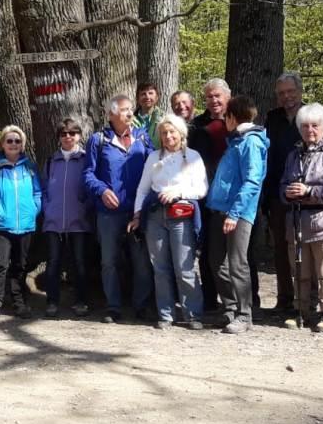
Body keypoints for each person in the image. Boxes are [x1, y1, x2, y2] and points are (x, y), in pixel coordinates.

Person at [130, 113, 208, 330]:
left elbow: (201, 189)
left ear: (181, 133)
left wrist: (178, 192)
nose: (168, 136)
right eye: (164, 133)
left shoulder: (193, 157)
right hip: (155, 217)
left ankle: (193, 314)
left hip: (181, 217)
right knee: (160, 268)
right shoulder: (154, 158)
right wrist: (137, 215)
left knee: (184, 267)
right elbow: (143, 189)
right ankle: (165, 314)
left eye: (172, 132)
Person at [263, 72, 323, 313]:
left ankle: (309, 300)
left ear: (300, 92)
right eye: (281, 93)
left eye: (291, 92)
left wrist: (313, 191)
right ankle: (285, 299)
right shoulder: (272, 119)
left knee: (309, 250)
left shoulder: (313, 117)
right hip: (278, 193)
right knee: (282, 250)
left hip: (309, 197)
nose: (287, 97)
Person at [83, 94, 155, 323]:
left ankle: (141, 306)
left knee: (142, 262)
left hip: (138, 211)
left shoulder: (142, 138)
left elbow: (154, 168)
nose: (130, 113)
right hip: (108, 214)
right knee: (109, 262)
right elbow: (88, 174)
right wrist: (102, 190)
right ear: (111, 114)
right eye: (124, 110)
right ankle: (113, 307)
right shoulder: (98, 140)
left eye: (131, 109)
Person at [279, 103, 323, 333]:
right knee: (300, 272)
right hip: (297, 222)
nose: (310, 130)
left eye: (315, 125)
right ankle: (301, 311)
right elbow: (283, 185)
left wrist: (309, 191)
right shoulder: (293, 155)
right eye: (305, 126)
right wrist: (287, 193)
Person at [206, 96, 268, 334]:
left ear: (232, 117)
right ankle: (230, 308)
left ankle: (244, 314)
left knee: (237, 263)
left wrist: (235, 213)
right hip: (220, 209)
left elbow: (253, 181)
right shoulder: (236, 141)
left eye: (226, 117)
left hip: (238, 213)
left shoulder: (251, 142)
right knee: (217, 262)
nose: (224, 121)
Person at [0, 125, 41, 323]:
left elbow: (37, 192)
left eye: (17, 141)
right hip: (1, 226)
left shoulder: (29, 167)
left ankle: (19, 302)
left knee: (20, 265)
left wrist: (34, 210)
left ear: (22, 144)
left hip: (25, 225)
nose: (14, 144)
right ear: (2, 144)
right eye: (10, 140)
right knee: (0, 264)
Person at [186, 78, 234, 313]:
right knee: (207, 250)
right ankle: (209, 298)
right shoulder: (197, 126)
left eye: (218, 96)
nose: (214, 100)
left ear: (227, 97)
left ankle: (246, 301)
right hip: (204, 195)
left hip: (233, 196)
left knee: (239, 252)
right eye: (209, 97)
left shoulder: (237, 123)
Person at [40, 119, 91, 318]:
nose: (68, 137)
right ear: (59, 138)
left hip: (79, 221)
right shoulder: (51, 161)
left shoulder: (86, 159)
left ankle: (81, 301)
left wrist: (84, 207)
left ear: (79, 135)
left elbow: (92, 186)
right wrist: (48, 209)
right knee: (53, 262)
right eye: (63, 134)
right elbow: (43, 189)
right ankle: (52, 302)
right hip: (53, 221)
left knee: (79, 263)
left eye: (72, 133)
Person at [133, 82, 163, 146]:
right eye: (143, 94)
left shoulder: (164, 119)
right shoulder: (130, 121)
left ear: (157, 97)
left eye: (150, 93)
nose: (147, 97)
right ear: (137, 99)